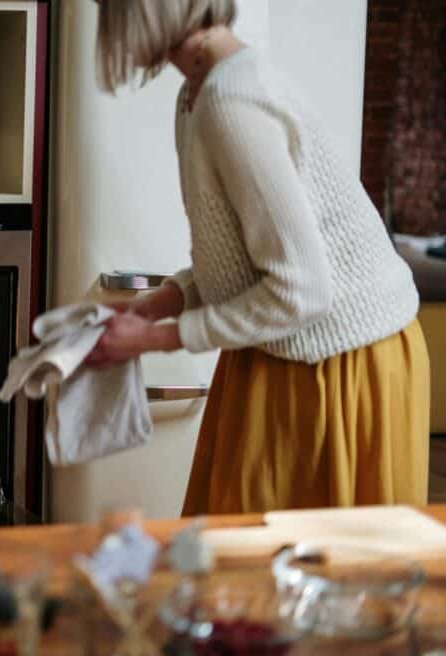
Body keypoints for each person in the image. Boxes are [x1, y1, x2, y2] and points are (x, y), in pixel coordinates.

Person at [84, 0, 430, 514]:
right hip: (281, 349)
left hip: (339, 362)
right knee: (249, 559)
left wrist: (157, 338)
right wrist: (160, 303)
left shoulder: (231, 100)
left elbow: (301, 290)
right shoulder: (198, 93)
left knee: (302, 568)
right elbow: (241, 256)